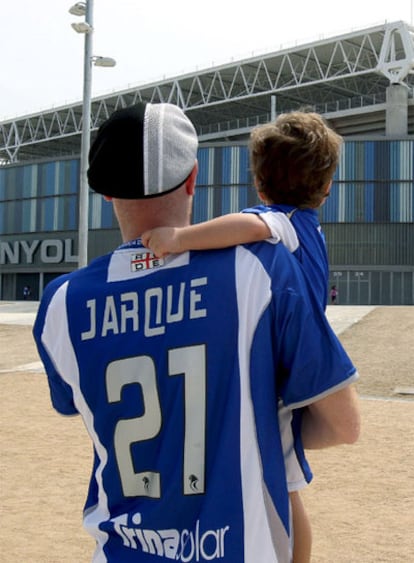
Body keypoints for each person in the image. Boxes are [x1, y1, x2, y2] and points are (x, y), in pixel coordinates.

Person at [33, 102, 360, 563]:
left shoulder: (60, 305)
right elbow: (344, 426)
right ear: (193, 177)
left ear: (105, 192)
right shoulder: (260, 268)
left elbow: (85, 406)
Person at [142, 110, 343, 561]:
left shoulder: (278, 222)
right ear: (327, 188)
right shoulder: (311, 231)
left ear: (258, 183)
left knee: (285, 492)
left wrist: (178, 238)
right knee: (286, 489)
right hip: (295, 369)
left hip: (276, 378)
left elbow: (250, 227)